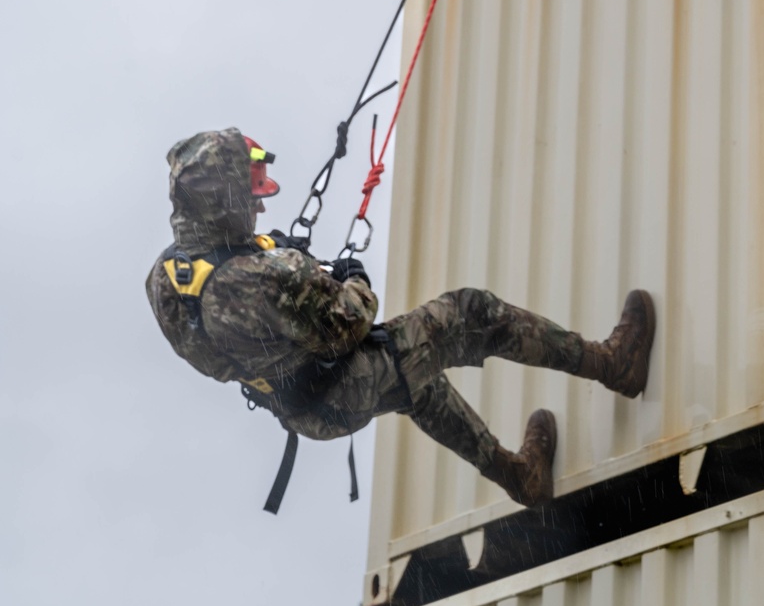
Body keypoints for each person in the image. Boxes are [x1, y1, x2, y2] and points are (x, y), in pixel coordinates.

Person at [146, 128, 656, 506]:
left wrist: (279, 280)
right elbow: (351, 323)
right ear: (226, 198)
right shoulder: (262, 277)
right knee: (468, 314)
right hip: (344, 386)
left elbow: (223, 347)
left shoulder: (166, 280)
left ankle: (520, 477)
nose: (259, 211)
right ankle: (612, 364)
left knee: (420, 384)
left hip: (301, 406)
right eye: (251, 197)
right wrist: (353, 279)